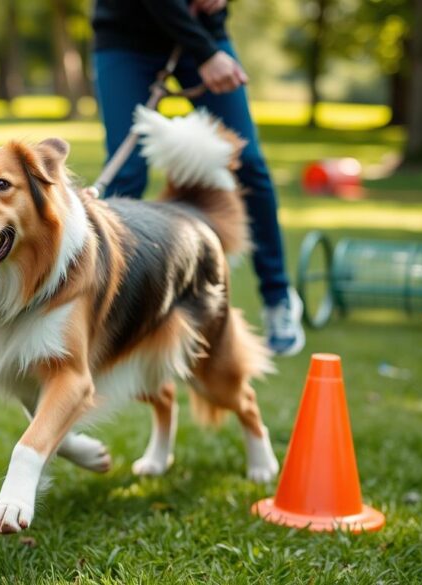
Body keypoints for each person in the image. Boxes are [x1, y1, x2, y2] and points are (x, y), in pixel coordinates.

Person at [91, 0, 305, 356]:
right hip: (126, 38)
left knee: (248, 163)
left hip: (205, 33)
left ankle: (278, 297)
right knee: (125, 175)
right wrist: (206, 53)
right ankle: (108, 306)